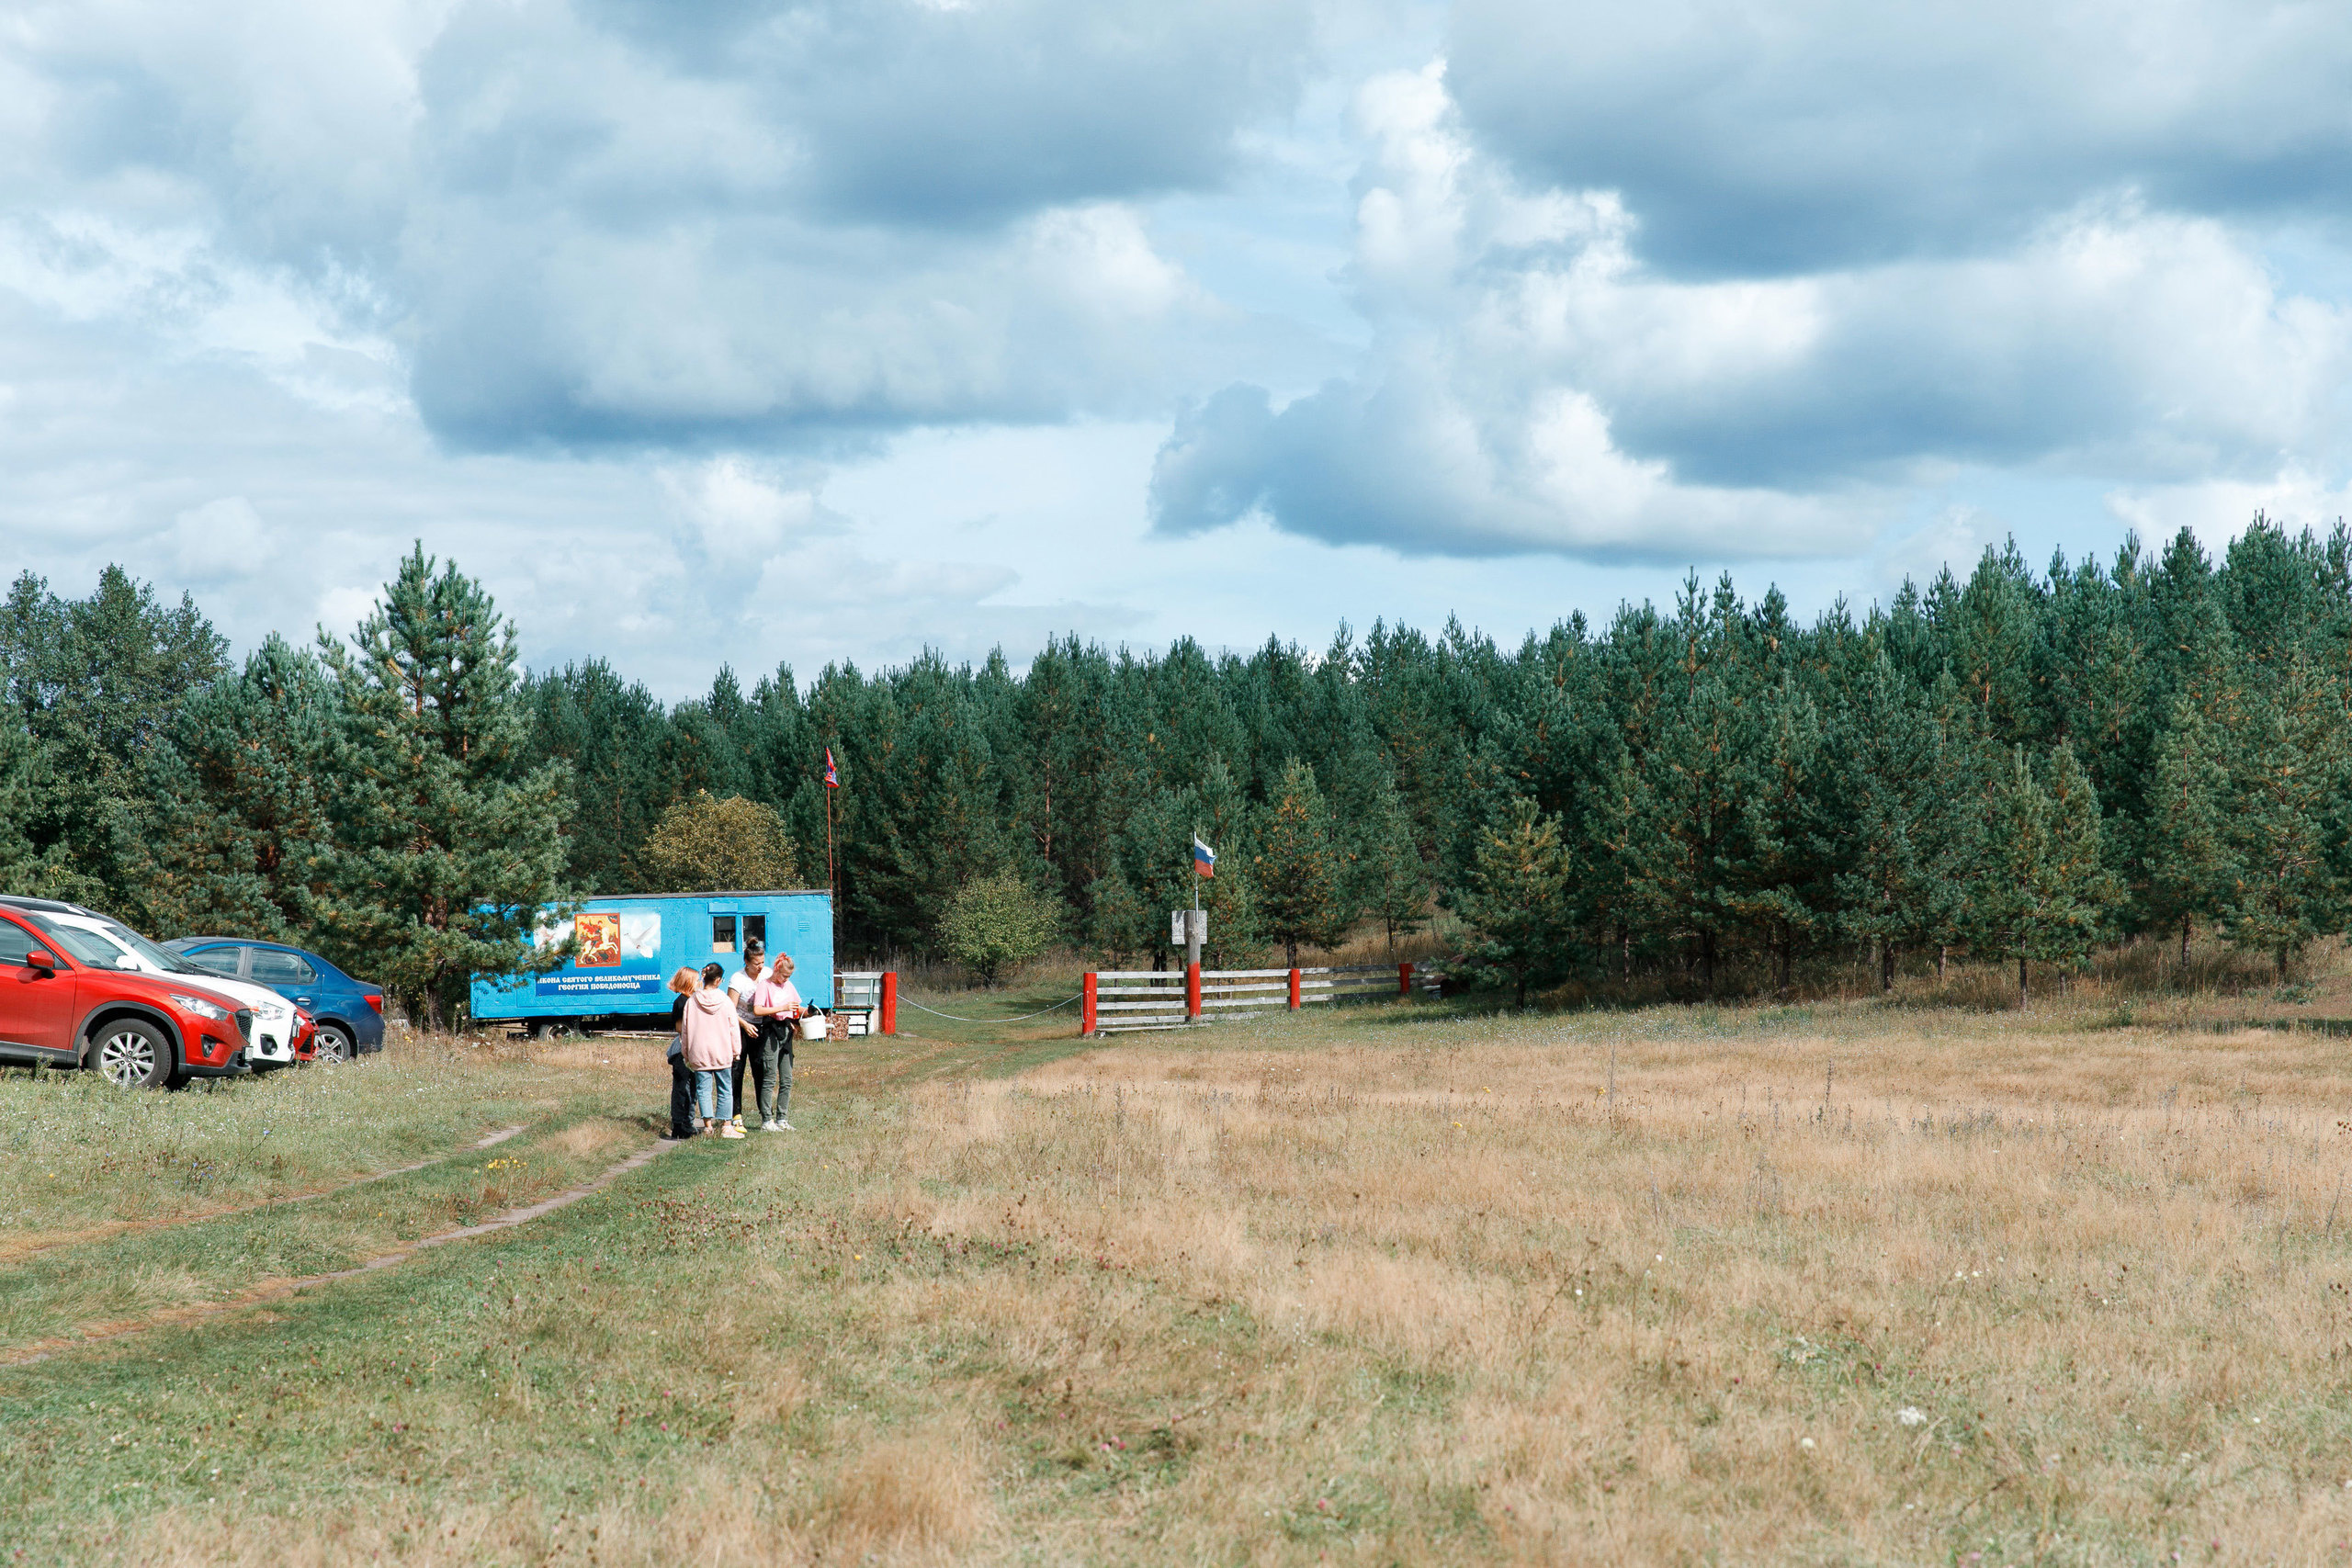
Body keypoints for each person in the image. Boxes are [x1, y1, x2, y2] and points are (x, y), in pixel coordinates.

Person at [678, 962, 744, 1139]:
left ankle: (708, 1127)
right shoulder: (725, 1001)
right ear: (717, 980)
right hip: (722, 1051)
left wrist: (686, 1052)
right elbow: (733, 1028)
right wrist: (736, 1050)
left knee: (703, 1090)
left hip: (699, 1053)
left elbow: (686, 1029)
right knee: (725, 1089)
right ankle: (726, 1126)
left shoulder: (692, 1001)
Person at [751, 952, 807, 1132]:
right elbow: (757, 1010)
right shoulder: (764, 986)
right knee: (769, 1077)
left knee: (787, 1078)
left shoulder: (788, 986)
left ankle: (782, 1118)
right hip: (770, 1031)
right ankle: (767, 1120)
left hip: (786, 1031)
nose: (786, 979)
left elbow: (797, 1007)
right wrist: (781, 1008)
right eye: (784, 976)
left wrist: (809, 1012)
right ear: (776, 970)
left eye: (789, 977)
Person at [725, 943, 769, 1134]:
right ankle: (736, 1115)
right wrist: (745, 1025)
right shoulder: (738, 979)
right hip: (741, 1027)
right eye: (756, 963)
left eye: (762, 962)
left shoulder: (767, 975)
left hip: (761, 1027)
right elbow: (729, 1009)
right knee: (738, 1070)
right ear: (746, 962)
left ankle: (766, 1115)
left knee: (761, 1070)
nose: (760, 967)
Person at [662, 966, 700, 1139]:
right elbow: (679, 1028)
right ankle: (678, 1124)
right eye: (696, 979)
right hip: (684, 1048)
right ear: (688, 981)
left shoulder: (693, 1000)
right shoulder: (681, 1002)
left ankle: (688, 1121)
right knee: (681, 1087)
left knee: (693, 1088)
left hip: (695, 1048)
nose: (699, 982)